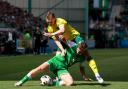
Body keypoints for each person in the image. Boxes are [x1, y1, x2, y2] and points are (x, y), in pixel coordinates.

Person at [44, 11, 103, 83]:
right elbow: (56, 40)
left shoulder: (60, 21)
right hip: (65, 41)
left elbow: (62, 30)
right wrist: (62, 50)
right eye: (48, 22)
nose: (49, 24)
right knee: (58, 58)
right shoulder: (50, 27)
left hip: (75, 38)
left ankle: (97, 75)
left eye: (50, 22)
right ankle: (60, 78)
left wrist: (52, 34)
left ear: (54, 18)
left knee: (86, 54)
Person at [14, 42, 104, 87]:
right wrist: (59, 51)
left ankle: (51, 82)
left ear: (84, 51)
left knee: (71, 83)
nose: (79, 51)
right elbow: (59, 40)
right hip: (56, 61)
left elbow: (81, 67)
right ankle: (21, 81)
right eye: (79, 49)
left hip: (63, 68)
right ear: (78, 46)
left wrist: (84, 76)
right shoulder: (72, 44)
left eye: (81, 51)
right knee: (40, 68)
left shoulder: (82, 57)